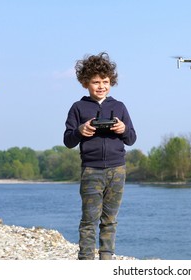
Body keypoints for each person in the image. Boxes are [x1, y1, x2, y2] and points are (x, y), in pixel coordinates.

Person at [63, 52, 137, 260]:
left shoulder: (119, 107)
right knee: (89, 219)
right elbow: (68, 141)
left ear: (111, 81)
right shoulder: (78, 108)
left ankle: (106, 259)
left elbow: (131, 139)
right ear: (85, 82)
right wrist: (80, 130)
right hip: (91, 170)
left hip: (117, 170)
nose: (101, 86)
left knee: (110, 219)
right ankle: (86, 260)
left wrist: (122, 129)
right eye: (96, 82)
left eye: (105, 81)